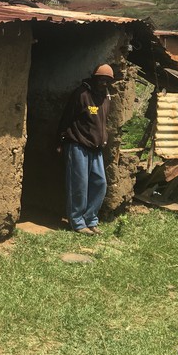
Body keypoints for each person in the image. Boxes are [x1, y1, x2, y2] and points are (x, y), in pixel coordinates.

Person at [57, 64, 114, 236]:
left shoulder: (106, 97)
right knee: (79, 185)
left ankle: (91, 219)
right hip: (78, 145)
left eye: (107, 81)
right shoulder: (82, 94)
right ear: (94, 78)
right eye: (101, 79)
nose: (104, 83)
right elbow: (67, 117)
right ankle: (77, 222)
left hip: (96, 148)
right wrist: (60, 140)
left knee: (100, 183)